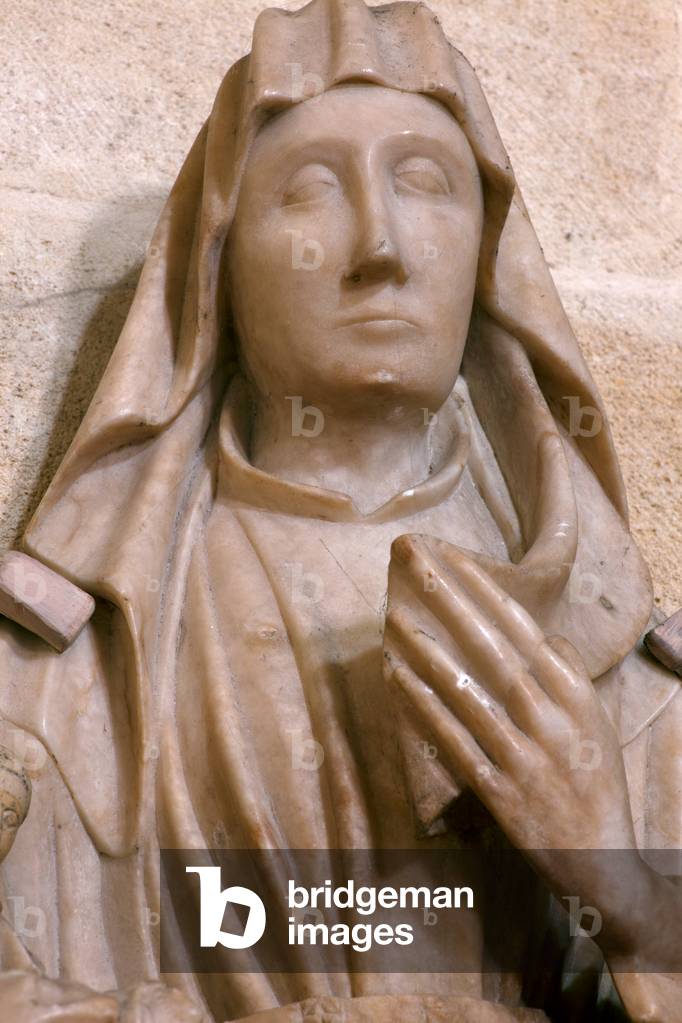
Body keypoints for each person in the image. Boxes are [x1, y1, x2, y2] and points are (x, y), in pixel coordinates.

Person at [0, 0, 679, 1019]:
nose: (378, 249)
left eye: (426, 186)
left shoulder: (624, 669)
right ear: (216, 270)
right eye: (310, 192)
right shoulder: (67, 666)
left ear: (489, 259)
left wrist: (623, 895)